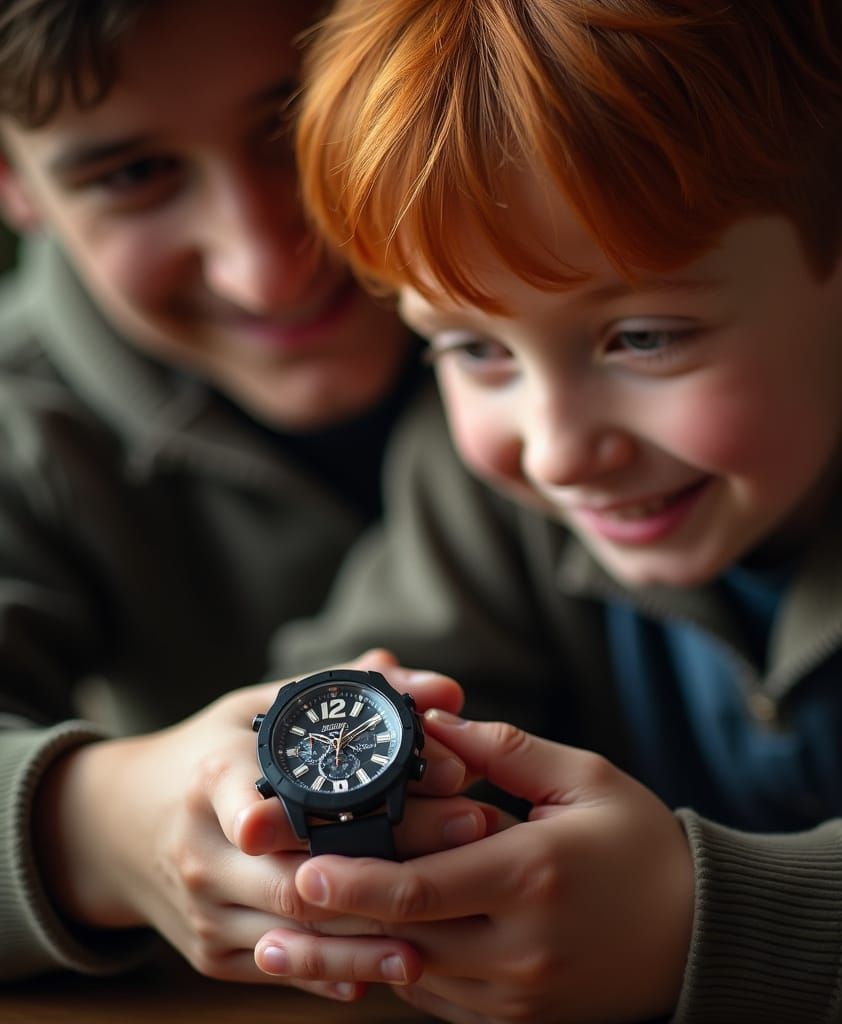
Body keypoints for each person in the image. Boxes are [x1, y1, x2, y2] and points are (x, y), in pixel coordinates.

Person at [258, 0, 842, 1020]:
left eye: (646, 337)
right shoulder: (491, 472)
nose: (555, 449)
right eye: (473, 348)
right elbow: (366, 686)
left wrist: (699, 923)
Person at [0, 0, 493, 994]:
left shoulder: (620, 304)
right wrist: (91, 825)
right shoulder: (21, 418)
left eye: (298, 124)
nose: (265, 270)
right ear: (13, 183)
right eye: (133, 175)